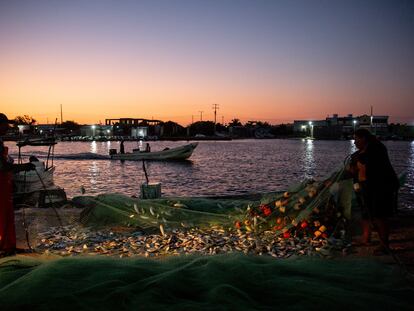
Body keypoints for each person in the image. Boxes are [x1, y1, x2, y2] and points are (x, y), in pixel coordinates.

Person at [350, 128, 399, 252]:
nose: (355, 142)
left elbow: (365, 160)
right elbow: (355, 164)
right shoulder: (362, 151)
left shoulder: (376, 148)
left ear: (364, 138)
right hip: (367, 187)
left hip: (381, 186)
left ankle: (384, 245)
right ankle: (366, 238)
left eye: (356, 139)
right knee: (366, 213)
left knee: (380, 215)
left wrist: (356, 158)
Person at [0, 113, 35, 257]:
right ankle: (4, 248)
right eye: (4, 125)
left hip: (5, 184)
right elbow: (2, 167)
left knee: (8, 215)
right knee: (2, 216)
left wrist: (12, 181)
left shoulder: (0, 141)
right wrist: (24, 167)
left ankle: (9, 246)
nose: (8, 127)